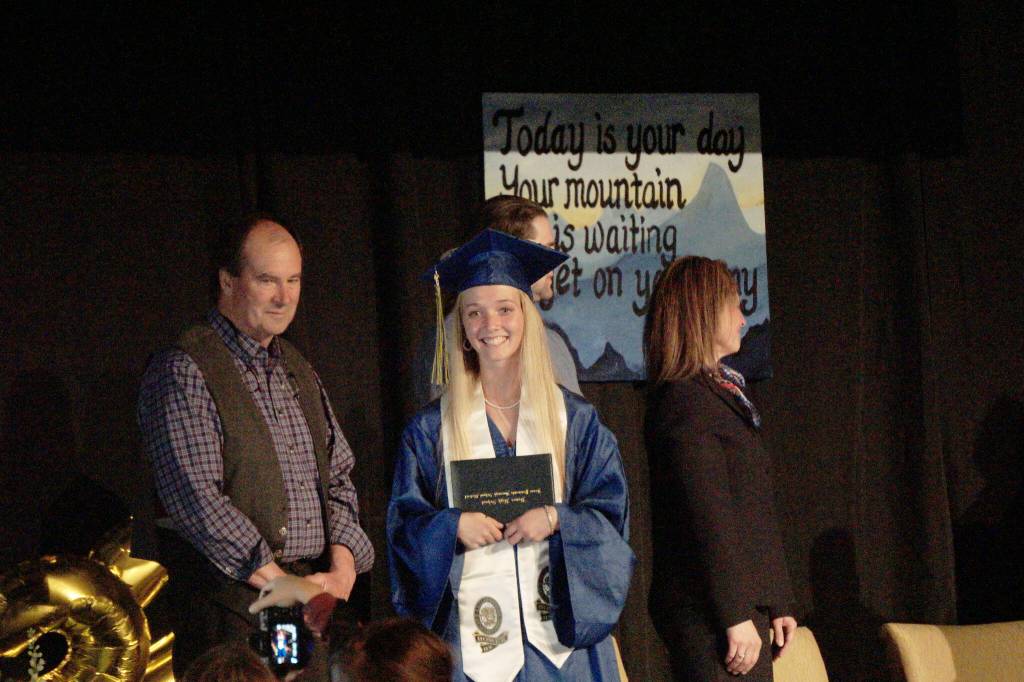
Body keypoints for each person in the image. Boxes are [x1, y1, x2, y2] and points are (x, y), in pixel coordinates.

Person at [388, 229, 635, 681]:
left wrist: (558, 519)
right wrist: (450, 526)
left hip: (561, 649)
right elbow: (402, 531)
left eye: (504, 309)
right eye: (474, 313)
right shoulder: (430, 431)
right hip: (470, 650)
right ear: (460, 326)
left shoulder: (576, 422)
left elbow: (611, 522)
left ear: (526, 316)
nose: (490, 325)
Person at [137, 214, 374, 675]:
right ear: (227, 281)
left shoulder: (297, 369)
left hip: (309, 608)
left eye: (293, 280)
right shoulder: (186, 369)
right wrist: (286, 583)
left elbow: (339, 478)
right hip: (232, 615)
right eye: (267, 280)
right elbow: (197, 502)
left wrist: (341, 573)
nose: (284, 297)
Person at [643, 255, 797, 681]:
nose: (743, 320)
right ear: (703, 311)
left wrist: (778, 600)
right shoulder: (685, 402)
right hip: (710, 615)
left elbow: (754, 508)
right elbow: (708, 516)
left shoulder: (720, 394)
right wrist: (733, 614)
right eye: (734, 305)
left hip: (743, 608)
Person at [413, 195, 581, 407]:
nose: (552, 261)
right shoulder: (452, 339)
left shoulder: (549, 339)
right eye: (545, 247)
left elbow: (576, 431)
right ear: (520, 252)